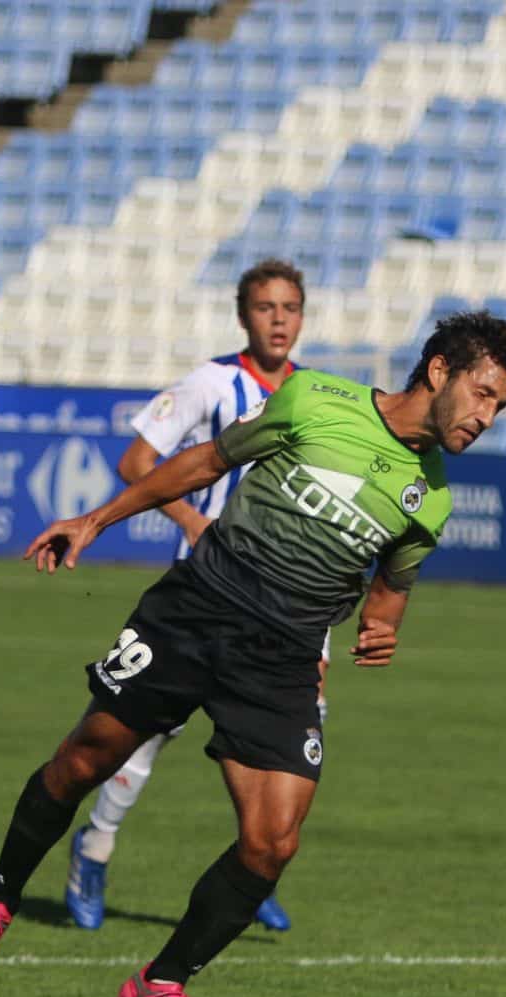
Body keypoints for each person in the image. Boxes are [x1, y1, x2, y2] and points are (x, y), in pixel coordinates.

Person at [0, 311, 506, 997]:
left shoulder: (433, 498)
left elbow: (389, 588)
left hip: (282, 658)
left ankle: (161, 981)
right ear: (441, 370)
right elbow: (203, 464)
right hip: (200, 607)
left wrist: (382, 626)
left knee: (271, 842)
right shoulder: (317, 399)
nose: (488, 417)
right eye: (484, 394)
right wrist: (95, 520)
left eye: (502, 407)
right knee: (85, 760)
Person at [64, 259, 310, 934]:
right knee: (141, 742)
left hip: (282, 613)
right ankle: (94, 847)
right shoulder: (213, 383)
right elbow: (136, 462)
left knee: (269, 756)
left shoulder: (315, 397)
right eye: (265, 307)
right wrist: (192, 519)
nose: (279, 318)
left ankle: (250, 872)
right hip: (202, 602)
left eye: (289, 306)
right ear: (243, 316)